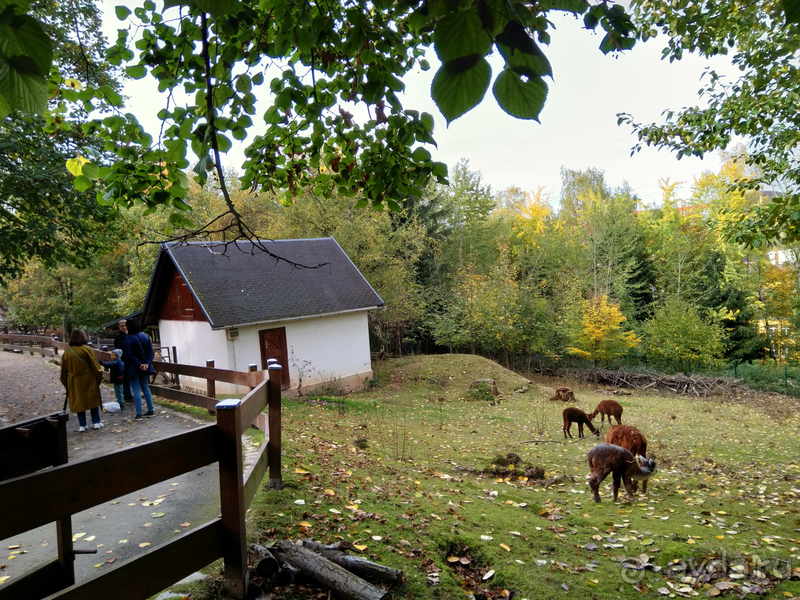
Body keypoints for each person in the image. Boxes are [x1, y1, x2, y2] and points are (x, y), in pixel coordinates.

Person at [60, 329, 104, 432]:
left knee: (78, 402)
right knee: (92, 399)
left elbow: (63, 373)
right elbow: (96, 367)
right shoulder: (87, 349)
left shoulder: (67, 353)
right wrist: (98, 380)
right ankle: (96, 422)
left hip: (74, 381)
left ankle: (82, 425)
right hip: (89, 378)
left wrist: (67, 385)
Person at [124, 317, 155, 420]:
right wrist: (146, 363)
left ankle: (139, 413)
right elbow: (151, 352)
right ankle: (150, 410)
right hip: (145, 366)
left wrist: (139, 364)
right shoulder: (145, 336)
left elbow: (129, 354)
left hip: (133, 367)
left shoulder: (128, 338)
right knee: (145, 387)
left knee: (136, 389)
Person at [114, 319, 134, 406]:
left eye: (125, 326)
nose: (124, 328)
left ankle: (130, 394)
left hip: (131, 359)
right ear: (119, 327)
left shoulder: (131, 334)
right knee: (125, 378)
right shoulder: (118, 336)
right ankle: (127, 396)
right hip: (123, 360)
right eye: (122, 326)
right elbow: (122, 346)